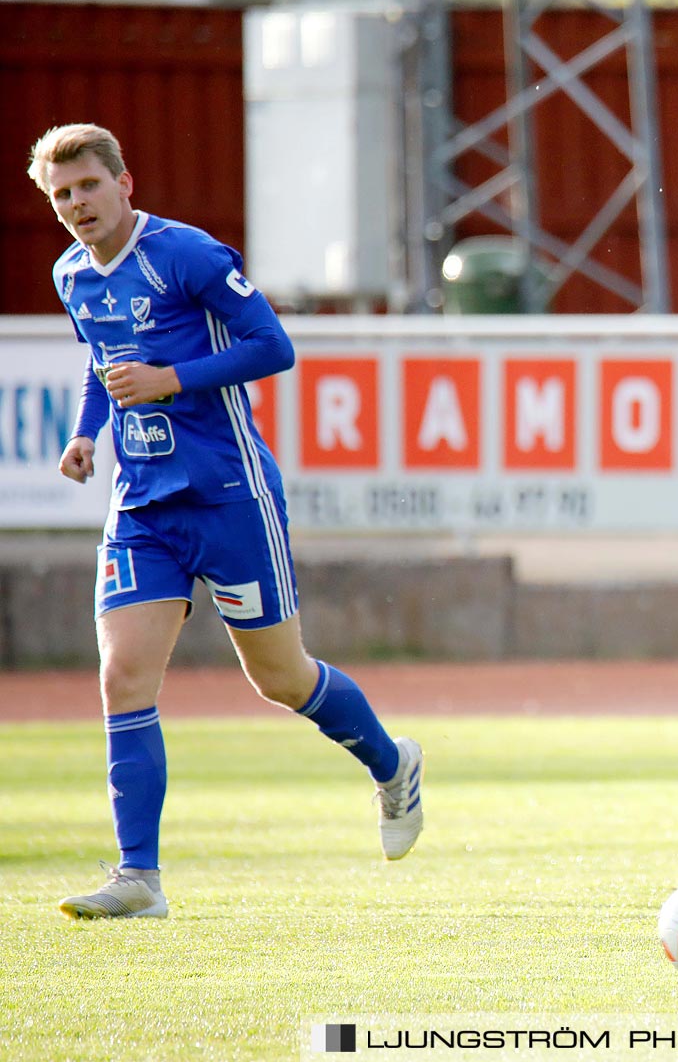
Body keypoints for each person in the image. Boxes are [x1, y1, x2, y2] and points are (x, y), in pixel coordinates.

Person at [31, 123, 423, 919]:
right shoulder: (72, 274)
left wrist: (171, 379)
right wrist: (85, 431)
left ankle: (392, 765)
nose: (76, 205)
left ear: (124, 182)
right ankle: (139, 877)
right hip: (143, 508)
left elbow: (272, 347)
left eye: (88, 187)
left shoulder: (189, 255)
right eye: (62, 194)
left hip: (229, 496)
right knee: (122, 676)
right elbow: (102, 361)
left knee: (280, 677)